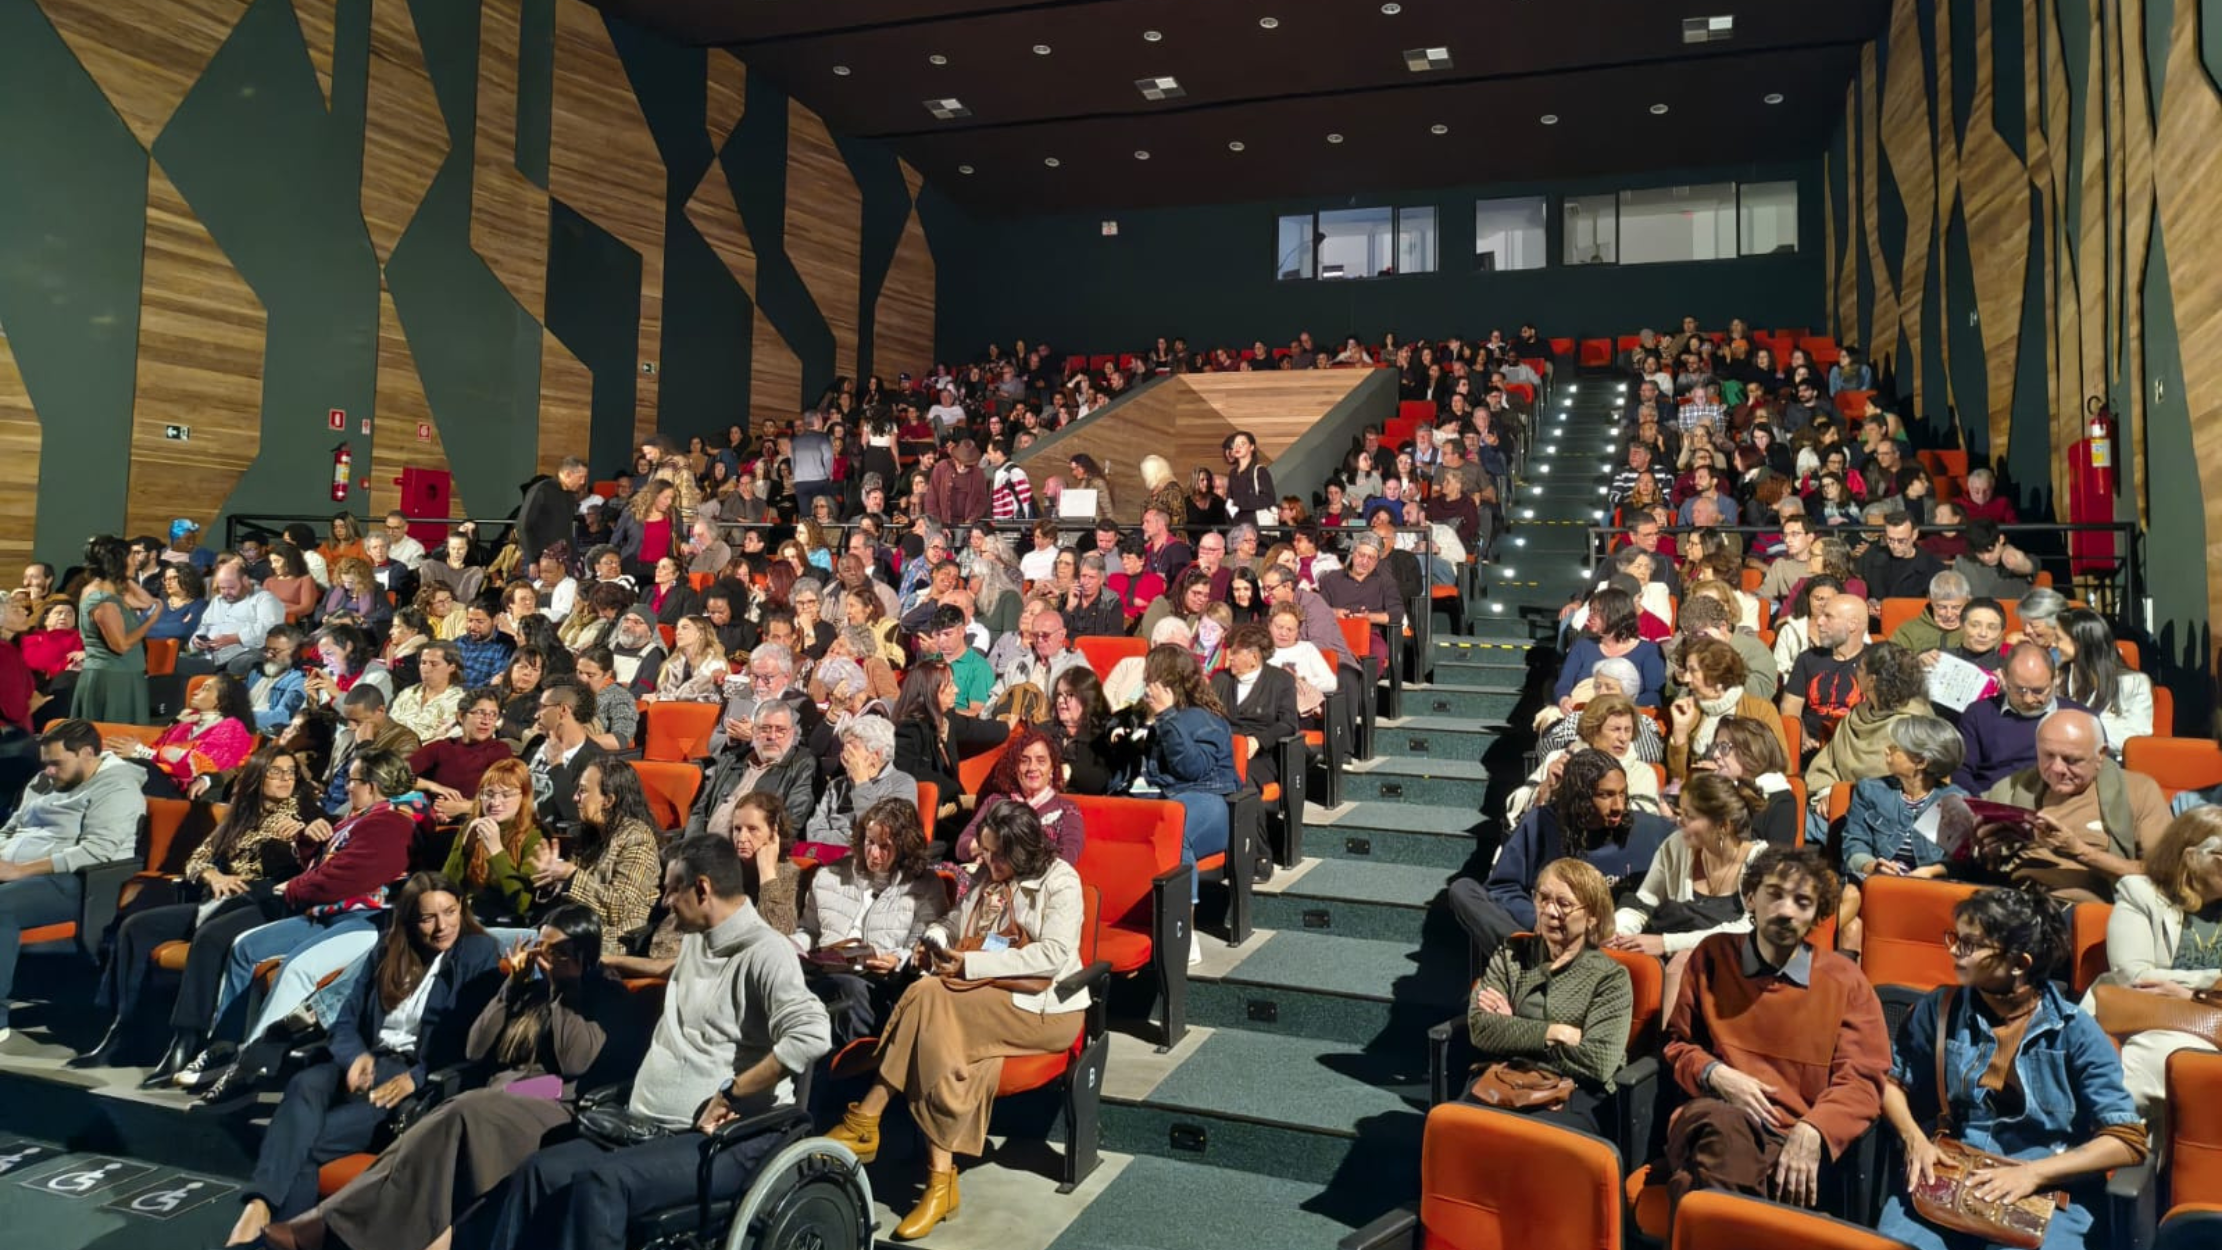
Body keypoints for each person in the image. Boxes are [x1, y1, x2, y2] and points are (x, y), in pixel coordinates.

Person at [467, 835, 831, 1250]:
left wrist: (733, 1092)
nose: (663, 901)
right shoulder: (701, 939)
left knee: (601, 1185)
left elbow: (811, 1034)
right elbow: (671, 969)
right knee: (538, 1171)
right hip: (645, 1126)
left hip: (723, 1140)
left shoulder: (766, 953)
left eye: (672, 888)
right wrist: (609, 962)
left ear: (703, 888)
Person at [264, 905, 649, 1250]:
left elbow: (574, 1062)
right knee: (425, 1133)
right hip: (506, 1092)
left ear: (582, 957)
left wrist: (564, 993)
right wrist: (510, 989)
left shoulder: (605, 998)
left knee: (465, 1108)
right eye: (541, 949)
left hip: (558, 1097)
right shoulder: (527, 990)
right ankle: (327, 1223)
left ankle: (325, 1228)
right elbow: (476, 1049)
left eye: (556, 953)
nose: (545, 960)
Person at [823, 801, 1090, 1240]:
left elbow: (1051, 957)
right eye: (983, 853)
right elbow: (954, 918)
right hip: (981, 996)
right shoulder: (990, 877)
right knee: (941, 1027)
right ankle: (939, 1183)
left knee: (930, 995)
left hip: (1044, 1009)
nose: (983, 862)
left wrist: (969, 964)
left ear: (1019, 852)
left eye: (994, 855)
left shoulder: (1061, 881)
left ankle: (869, 1114)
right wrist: (937, 939)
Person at [221, 872, 502, 1247]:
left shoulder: (478, 952)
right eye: (428, 918)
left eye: (450, 912)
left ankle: (265, 1213)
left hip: (407, 1076)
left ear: (462, 908)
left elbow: (466, 1042)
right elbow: (346, 1019)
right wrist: (354, 1057)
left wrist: (414, 1079)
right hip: (366, 1062)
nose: (441, 927)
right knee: (304, 1083)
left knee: (306, 1146)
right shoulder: (388, 949)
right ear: (409, 920)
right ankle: (262, 1210)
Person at [1875, 888, 2146, 1250]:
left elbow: (2126, 1141)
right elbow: (1892, 1083)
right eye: (1955, 938)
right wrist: (1915, 1139)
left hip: (2047, 1186)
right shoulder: (1940, 1010)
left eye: (1970, 944)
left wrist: (2032, 1173)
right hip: (1954, 1171)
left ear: (2019, 964)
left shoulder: (2075, 1031)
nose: (1954, 951)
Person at [180, 748, 422, 1099]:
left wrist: (293, 887)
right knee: (245, 947)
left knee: (296, 969)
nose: (345, 787)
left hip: (365, 918)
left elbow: (348, 877)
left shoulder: (391, 822)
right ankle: (223, 1045)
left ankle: (249, 1063)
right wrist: (308, 839)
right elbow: (323, 863)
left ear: (371, 785)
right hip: (322, 913)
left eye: (352, 780)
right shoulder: (359, 816)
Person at [1661, 845, 1889, 1213]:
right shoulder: (1712, 956)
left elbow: (1863, 1078)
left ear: (1817, 914)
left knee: (1695, 1185)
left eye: (1802, 901)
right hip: (1716, 1117)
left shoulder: (1845, 980)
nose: (1785, 911)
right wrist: (1716, 1074)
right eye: (1775, 895)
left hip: (1794, 1137)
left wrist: (1815, 1129)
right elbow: (1677, 1046)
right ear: (1750, 898)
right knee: (1722, 1128)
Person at [75, 746, 315, 1070]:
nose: (285, 779)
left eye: (290, 772)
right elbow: (197, 859)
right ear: (258, 777)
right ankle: (124, 1028)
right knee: (138, 927)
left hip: (263, 902)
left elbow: (310, 866)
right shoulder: (240, 815)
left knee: (210, 935)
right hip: (219, 898)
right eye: (276, 771)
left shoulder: (302, 816)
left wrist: (299, 839)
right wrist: (213, 874)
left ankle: (187, 1038)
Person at [1454, 750, 1676, 967]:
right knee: (1463, 890)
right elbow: (1503, 887)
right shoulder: (1539, 823)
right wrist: (1537, 920)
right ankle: (1534, 957)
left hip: (1615, 945)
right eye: (1606, 795)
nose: (1618, 806)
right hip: (1549, 936)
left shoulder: (1652, 830)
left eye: (1622, 793)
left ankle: (1536, 965)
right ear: (1580, 796)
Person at [1463, 858, 1634, 1138]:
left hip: (1575, 1092)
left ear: (1592, 915)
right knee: (1460, 1127)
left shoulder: (1611, 978)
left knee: (1531, 1141)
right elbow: (1481, 1028)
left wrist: (1515, 1028)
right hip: (1507, 1078)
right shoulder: (1512, 955)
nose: (1550, 912)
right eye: (1543, 899)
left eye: (1564, 904)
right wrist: (1556, 1033)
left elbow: (1598, 1062)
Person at [0, 720, 145, 1043]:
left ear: (87, 753)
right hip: (15, 871)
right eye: (45, 763)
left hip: (76, 882)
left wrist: (19, 870)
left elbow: (98, 851)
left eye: (56, 763)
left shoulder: (118, 787)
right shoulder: (43, 780)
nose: (48, 772)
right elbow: (10, 828)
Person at [2085, 806, 2222, 1121]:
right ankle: (2121, 1149)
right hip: (2148, 1018)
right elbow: (2135, 976)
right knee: (2158, 1056)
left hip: (2212, 1020)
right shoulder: (2140, 894)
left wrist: (2195, 991)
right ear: (2191, 857)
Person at [792, 796, 950, 1049]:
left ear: (904, 846)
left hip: (880, 983)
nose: (874, 854)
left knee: (845, 992)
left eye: (884, 846)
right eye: (869, 842)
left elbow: (920, 949)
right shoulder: (830, 876)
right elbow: (809, 931)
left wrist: (897, 960)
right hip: (823, 972)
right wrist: (791, 947)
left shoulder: (925, 886)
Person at [1977, 708, 2170, 904]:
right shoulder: (2011, 789)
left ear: (2101, 755)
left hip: (2081, 908)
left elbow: (2164, 873)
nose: (2057, 768)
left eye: (2071, 760)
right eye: (2048, 756)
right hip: (2009, 899)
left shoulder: (2137, 791)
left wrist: (2081, 852)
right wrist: (1982, 851)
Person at [1835, 716, 1971, 952]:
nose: (1887, 751)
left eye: (1895, 748)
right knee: (1851, 918)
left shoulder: (1955, 801)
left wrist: (1930, 871)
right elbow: (1853, 842)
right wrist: (1870, 866)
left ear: (1920, 762)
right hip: (1877, 883)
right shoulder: (1870, 791)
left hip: (1931, 888)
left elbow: (1964, 862)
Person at [1139, 644, 1239, 929]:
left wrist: (1167, 716)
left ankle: (1183, 929)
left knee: (1174, 829)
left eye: (1149, 677)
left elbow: (1192, 768)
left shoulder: (1203, 720)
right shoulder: (1153, 716)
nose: (1145, 684)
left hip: (1211, 802)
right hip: (1168, 797)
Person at [527, 757, 660, 935]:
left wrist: (571, 875)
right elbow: (576, 894)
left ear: (608, 800)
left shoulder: (637, 838)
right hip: (570, 932)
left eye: (582, 791)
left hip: (609, 940)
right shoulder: (592, 835)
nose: (575, 798)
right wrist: (554, 881)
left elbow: (619, 908)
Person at [1507, 695, 1663, 824]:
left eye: (1628, 730)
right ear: (1592, 730)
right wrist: (1547, 787)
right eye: (1615, 729)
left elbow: (1642, 822)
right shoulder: (1558, 759)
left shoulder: (1642, 773)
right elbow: (1514, 805)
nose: (1623, 738)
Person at [1805, 641, 1934, 793]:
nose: (1855, 672)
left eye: (1859, 668)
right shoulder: (1855, 716)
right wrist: (1826, 792)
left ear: (1871, 681)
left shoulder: (1917, 724)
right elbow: (1826, 765)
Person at [954, 723, 1085, 871]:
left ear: (1052, 769)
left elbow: (1068, 856)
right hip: (992, 880)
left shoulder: (1066, 809)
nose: (1032, 768)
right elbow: (962, 847)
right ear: (1015, 768)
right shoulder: (996, 802)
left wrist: (1011, 855)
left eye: (1041, 761)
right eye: (1024, 761)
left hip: (1039, 884)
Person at [1955, 644, 2085, 792]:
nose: (2028, 699)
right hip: (1992, 801)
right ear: (2004, 678)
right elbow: (1960, 772)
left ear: (2055, 679)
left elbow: (2097, 769)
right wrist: (1982, 805)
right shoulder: (1979, 714)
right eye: (2019, 690)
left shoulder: (2079, 718)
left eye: (2038, 691)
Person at [687, 698, 819, 837]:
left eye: (780, 730)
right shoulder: (732, 758)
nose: (772, 736)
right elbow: (700, 810)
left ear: (792, 734)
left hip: (750, 850)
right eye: (765, 729)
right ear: (754, 731)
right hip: (704, 845)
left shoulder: (802, 764)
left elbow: (791, 822)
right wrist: (693, 845)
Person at [437, 757, 545, 926]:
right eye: (489, 794)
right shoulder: (471, 826)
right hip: (470, 919)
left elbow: (521, 904)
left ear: (523, 796)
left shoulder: (534, 836)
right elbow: (445, 890)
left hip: (510, 924)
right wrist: (465, 850)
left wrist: (496, 851)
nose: (495, 802)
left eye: (506, 795)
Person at [1666, 638, 1787, 786]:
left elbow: (1779, 768)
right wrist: (1680, 729)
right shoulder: (1691, 712)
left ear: (1716, 677)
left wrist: (1726, 773)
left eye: (1693, 671)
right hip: (1698, 797)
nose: (1686, 679)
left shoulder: (1761, 710)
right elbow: (1676, 780)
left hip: (1746, 798)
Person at [117, 672, 255, 799]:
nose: (195, 692)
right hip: (158, 778)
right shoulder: (183, 726)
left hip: (184, 790)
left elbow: (197, 764)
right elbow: (156, 750)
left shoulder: (232, 727)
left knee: (126, 771)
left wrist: (140, 751)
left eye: (205, 689)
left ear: (221, 701)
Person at [71, 536, 160, 722]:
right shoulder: (104, 601)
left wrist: (124, 577)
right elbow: (121, 645)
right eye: (130, 557)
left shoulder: (112, 591)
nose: (135, 561)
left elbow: (147, 602)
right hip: (112, 681)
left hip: (124, 675)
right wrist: (151, 620)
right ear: (117, 562)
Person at [1781, 593, 1871, 761]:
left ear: (1852, 624)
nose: (1819, 621)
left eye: (1828, 617)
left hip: (1859, 752)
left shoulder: (1877, 661)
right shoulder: (1807, 659)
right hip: (1812, 749)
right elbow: (1790, 708)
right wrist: (1801, 736)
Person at [2054, 607, 2156, 749]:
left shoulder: (2134, 684)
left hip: (2111, 763)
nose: (2053, 644)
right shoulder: (2057, 676)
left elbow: (2138, 738)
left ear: (2080, 642)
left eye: (2058, 639)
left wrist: (2083, 729)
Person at [1556, 587, 1665, 711]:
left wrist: (1616, 706)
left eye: (1595, 611)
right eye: (1590, 610)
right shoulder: (1582, 646)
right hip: (1582, 712)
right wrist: (1564, 700)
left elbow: (1655, 694)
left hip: (1627, 715)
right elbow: (1563, 685)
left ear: (1616, 613)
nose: (1590, 616)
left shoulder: (1649, 651)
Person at [519, 459, 588, 567]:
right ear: (568, 474)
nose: (583, 482)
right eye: (580, 477)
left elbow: (567, 530)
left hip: (563, 559)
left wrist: (575, 557)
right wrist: (532, 559)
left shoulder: (570, 495)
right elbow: (523, 525)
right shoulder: (542, 490)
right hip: (539, 559)